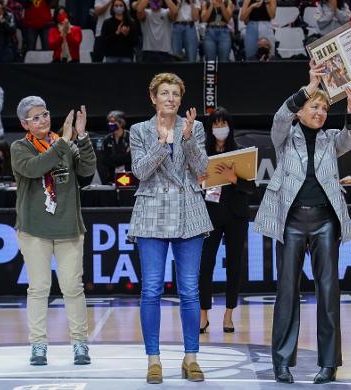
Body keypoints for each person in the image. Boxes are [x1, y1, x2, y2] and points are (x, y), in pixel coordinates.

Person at [253, 60, 351, 384]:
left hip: (325, 222)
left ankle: (329, 363)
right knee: (287, 292)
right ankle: (282, 363)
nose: (319, 112)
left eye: (323, 109)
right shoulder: (284, 136)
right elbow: (278, 118)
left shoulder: (330, 139)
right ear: (301, 111)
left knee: (328, 292)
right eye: (314, 107)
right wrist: (308, 88)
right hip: (290, 222)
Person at [127, 72, 212, 384]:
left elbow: (203, 169)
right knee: (151, 289)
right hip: (151, 214)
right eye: (165, 93)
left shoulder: (195, 128)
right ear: (154, 98)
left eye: (176, 93)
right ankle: (154, 359)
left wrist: (187, 138)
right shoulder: (139, 130)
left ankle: (191, 358)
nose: (171, 99)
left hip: (189, 213)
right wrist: (163, 142)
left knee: (190, 290)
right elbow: (140, 171)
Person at [11, 97, 96, 367]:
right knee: (39, 288)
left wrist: (81, 137)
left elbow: (87, 171)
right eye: (35, 117)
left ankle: (80, 343)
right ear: (24, 123)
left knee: (73, 287)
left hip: (68, 227)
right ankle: (38, 345)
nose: (43, 120)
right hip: (34, 229)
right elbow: (35, 167)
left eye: (45, 114)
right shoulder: (20, 147)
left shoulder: (65, 143)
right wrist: (64, 143)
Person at [198, 107, 255, 334]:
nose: (220, 129)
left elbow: (251, 187)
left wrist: (234, 179)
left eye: (223, 124)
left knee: (234, 265)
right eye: (215, 124)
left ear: (229, 127)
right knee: (205, 265)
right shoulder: (202, 154)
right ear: (210, 128)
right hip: (210, 216)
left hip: (236, 217)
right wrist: (198, 179)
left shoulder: (240, 153)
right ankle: (203, 314)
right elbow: (192, 184)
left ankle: (229, 314)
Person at [101, 110, 131, 184]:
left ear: (121, 123)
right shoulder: (106, 139)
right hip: (112, 176)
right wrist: (120, 159)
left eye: (113, 122)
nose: (110, 124)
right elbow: (105, 159)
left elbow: (130, 157)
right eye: (109, 122)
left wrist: (115, 158)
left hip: (128, 175)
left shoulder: (130, 137)